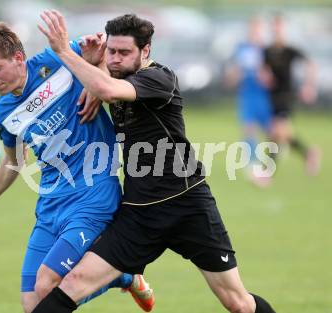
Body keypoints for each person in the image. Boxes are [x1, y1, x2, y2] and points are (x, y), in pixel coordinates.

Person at [32, 11, 276, 313]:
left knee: (238, 303)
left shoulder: (159, 78)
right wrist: (96, 65)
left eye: (125, 53)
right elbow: (104, 85)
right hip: (139, 215)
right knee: (73, 283)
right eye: (112, 51)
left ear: (145, 51)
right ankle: (130, 278)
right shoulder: (113, 75)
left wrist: (64, 52)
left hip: (187, 206)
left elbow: (108, 89)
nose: (116, 59)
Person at [0, 21, 154, 313]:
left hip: (93, 193)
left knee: (47, 285)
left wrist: (95, 83)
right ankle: (124, 277)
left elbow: (103, 50)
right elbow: (14, 162)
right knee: (31, 303)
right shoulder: (2, 111)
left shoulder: (56, 59)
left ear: (18, 58)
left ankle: (120, 274)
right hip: (51, 203)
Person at [264, 14, 320, 175]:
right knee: (280, 134)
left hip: (286, 97)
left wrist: (309, 86)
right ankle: (309, 153)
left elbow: (311, 64)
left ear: (284, 29)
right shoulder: (267, 51)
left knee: (277, 131)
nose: (277, 31)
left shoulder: (290, 50)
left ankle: (267, 172)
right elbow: (264, 71)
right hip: (272, 98)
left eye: (280, 27)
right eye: (274, 27)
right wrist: (264, 76)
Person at [225, 17, 273, 187]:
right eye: (253, 27)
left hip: (264, 96)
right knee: (249, 130)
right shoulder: (241, 48)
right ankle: (253, 165)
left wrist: (266, 76)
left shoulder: (266, 50)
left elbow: (270, 75)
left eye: (258, 28)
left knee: (272, 132)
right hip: (247, 94)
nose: (255, 31)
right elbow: (234, 72)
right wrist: (234, 76)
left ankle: (268, 165)